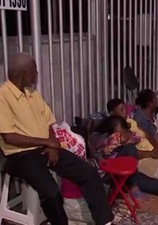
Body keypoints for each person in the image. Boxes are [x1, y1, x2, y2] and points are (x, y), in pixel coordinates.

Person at [0, 53, 114, 225]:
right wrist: (48, 143)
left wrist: (52, 145)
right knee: (51, 192)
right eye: (34, 71)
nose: (37, 75)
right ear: (22, 74)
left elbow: (48, 123)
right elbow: (9, 137)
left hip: (45, 148)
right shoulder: (2, 97)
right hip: (19, 155)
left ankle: (105, 222)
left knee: (88, 173)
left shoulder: (31, 93)